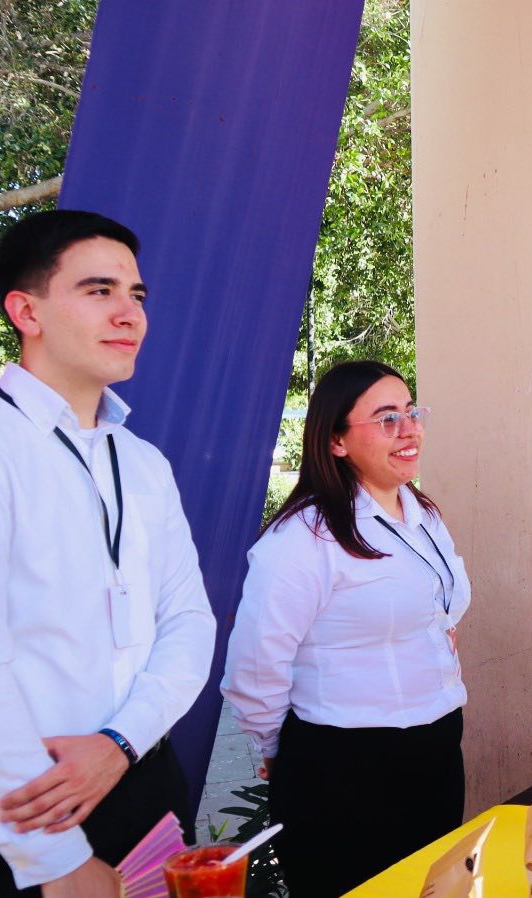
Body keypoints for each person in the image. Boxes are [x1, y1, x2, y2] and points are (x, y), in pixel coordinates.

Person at [0, 210, 216, 897]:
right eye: (100, 290)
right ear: (25, 310)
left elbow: (190, 623)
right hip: (23, 803)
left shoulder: (145, 462)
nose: (129, 313)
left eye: (137, 295)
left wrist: (120, 743)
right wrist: (57, 862)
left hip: (145, 777)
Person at [222, 360, 472, 898]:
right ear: (336, 441)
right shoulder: (303, 537)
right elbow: (255, 664)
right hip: (343, 768)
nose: (409, 429)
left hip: (434, 749)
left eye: (411, 412)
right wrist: (273, 744)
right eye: (386, 419)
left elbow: (439, 606)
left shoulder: (423, 514)